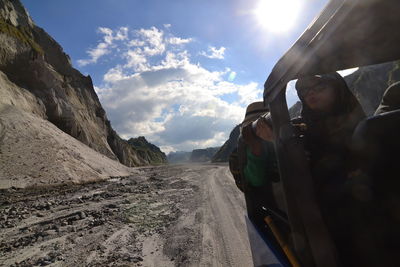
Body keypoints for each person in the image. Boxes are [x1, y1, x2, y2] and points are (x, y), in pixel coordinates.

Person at [248, 72, 366, 265]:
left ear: (338, 89)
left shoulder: (361, 123)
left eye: (319, 87)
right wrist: (279, 143)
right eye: (304, 90)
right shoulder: (301, 130)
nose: (311, 93)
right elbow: (302, 177)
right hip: (331, 222)